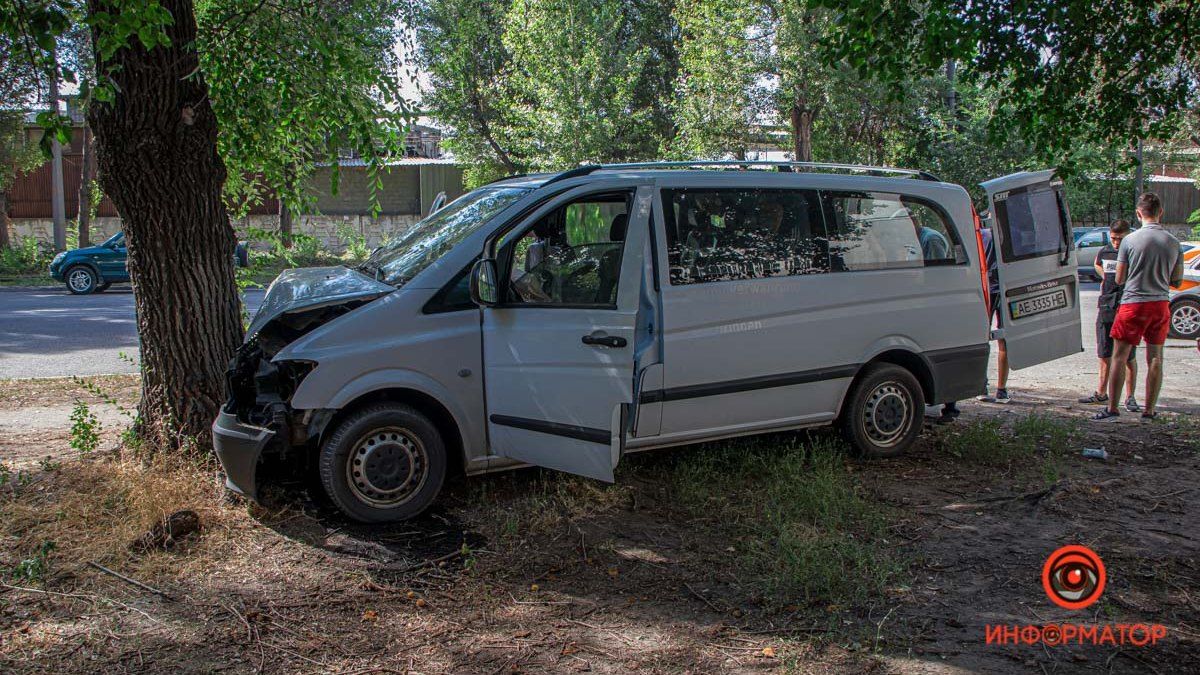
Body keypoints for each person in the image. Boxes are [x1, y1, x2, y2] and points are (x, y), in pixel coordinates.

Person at [1093, 193, 1184, 420]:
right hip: (1160, 303)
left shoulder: (1129, 241)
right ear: (1160, 212)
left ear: (1138, 213)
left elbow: (1120, 278)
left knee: (1119, 356)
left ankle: (1113, 408)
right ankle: (1149, 410)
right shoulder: (1173, 243)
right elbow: (1178, 281)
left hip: (1132, 304)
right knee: (1155, 357)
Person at [1078, 220, 1139, 411]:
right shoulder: (1105, 251)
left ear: (1128, 235)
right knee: (1104, 352)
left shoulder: (1134, 252)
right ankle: (1101, 393)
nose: (1116, 242)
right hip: (1106, 306)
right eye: (1113, 238)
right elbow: (1097, 264)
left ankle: (1130, 397)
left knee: (1128, 356)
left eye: (1120, 239)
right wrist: (1104, 276)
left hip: (1127, 306)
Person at [976, 222, 1010, 403]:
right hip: (1005, 289)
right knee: (1004, 338)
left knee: (982, 338)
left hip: (987, 289)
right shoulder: (1012, 237)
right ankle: (1001, 389)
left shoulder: (981, 235)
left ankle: (982, 385)